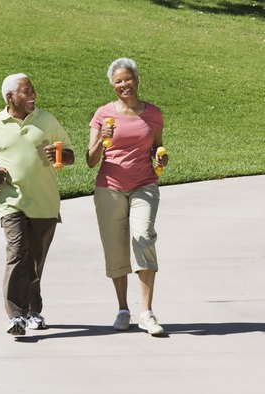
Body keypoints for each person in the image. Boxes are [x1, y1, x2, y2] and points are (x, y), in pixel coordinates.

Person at [0, 73, 75, 336]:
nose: (33, 95)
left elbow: (70, 155)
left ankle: (33, 311)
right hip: (12, 202)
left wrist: (59, 154)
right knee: (17, 252)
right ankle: (15, 315)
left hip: (45, 202)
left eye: (33, 90)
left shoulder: (47, 120)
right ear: (11, 97)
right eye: (26, 91)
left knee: (35, 260)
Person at [86, 58, 169, 336]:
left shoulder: (154, 114)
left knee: (143, 237)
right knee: (115, 247)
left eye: (128, 79)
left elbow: (156, 148)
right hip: (109, 187)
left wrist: (161, 157)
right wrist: (101, 138)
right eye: (118, 81)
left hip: (144, 185)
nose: (124, 85)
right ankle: (123, 310)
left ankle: (146, 312)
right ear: (113, 85)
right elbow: (90, 160)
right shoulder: (103, 114)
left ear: (137, 79)